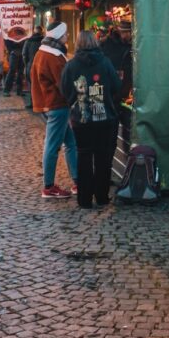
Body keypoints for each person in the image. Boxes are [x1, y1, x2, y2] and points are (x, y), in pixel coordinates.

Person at [60, 30, 121, 210]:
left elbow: (64, 89)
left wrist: (75, 100)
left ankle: (84, 199)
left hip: (82, 119)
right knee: (103, 158)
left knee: (84, 156)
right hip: (105, 119)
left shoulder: (71, 65)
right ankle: (102, 196)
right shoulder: (105, 62)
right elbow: (116, 85)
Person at [30, 22, 78, 199]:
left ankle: (77, 181)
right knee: (52, 146)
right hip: (58, 105)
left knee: (71, 143)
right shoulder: (53, 56)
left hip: (55, 104)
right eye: (65, 34)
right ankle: (48, 187)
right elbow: (63, 83)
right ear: (59, 36)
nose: (67, 37)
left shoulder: (43, 53)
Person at [22, 25, 44, 90]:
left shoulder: (28, 41)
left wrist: (26, 64)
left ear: (34, 31)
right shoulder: (44, 41)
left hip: (30, 65)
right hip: (41, 66)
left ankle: (32, 99)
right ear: (41, 32)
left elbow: (24, 54)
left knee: (32, 86)